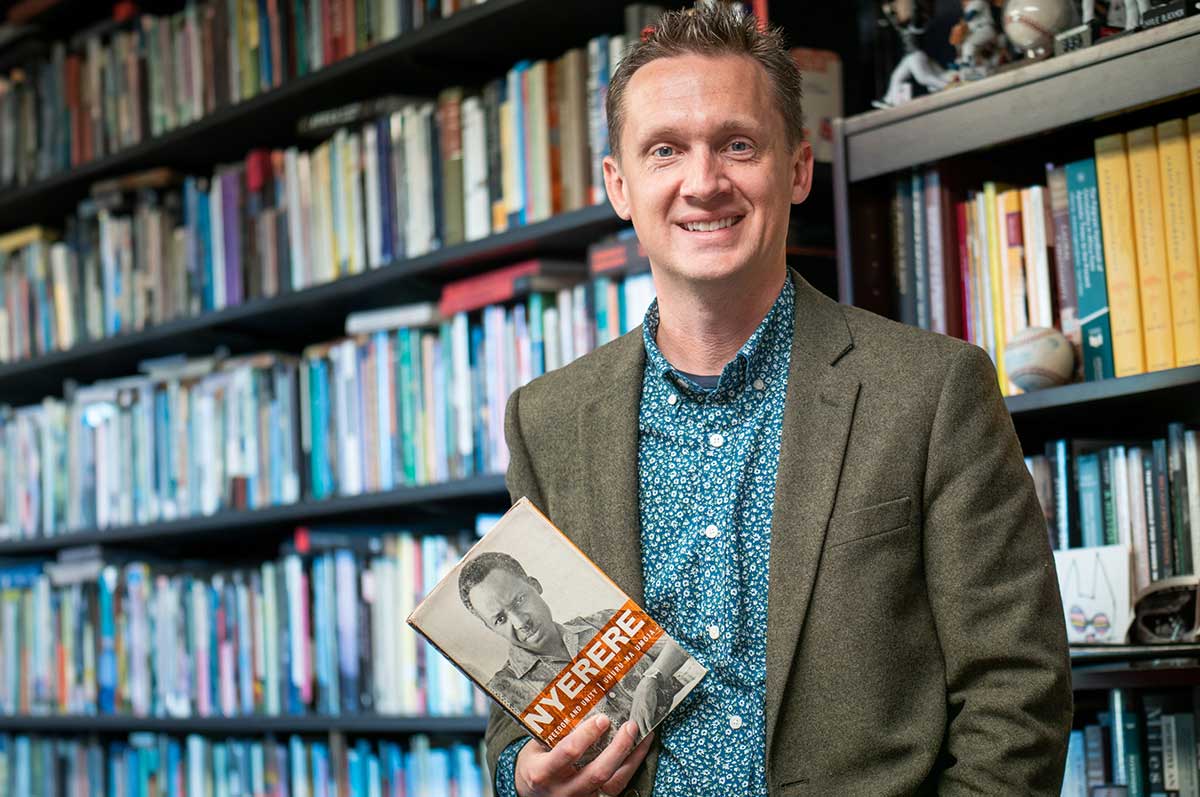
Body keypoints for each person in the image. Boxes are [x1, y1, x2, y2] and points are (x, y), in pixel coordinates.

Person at [487, 5, 1072, 796]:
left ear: (796, 169)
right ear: (620, 187)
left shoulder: (933, 391)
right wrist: (520, 774)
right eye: (666, 150)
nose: (703, 183)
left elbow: (1018, 693)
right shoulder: (547, 421)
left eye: (737, 144)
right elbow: (518, 703)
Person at [459, 551, 692, 754]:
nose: (520, 622)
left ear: (535, 585)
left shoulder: (605, 620)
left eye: (519, 600)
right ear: (490, 628)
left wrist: (651, 678)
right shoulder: (505, 689)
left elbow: (678, 644)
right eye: (500, 619)